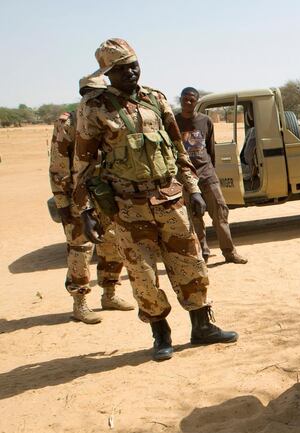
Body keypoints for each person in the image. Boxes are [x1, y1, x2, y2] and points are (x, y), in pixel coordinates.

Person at [72, 38, 238, 361]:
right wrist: (86, 210)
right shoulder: (94, 108)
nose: (131, 73)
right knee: (143, 275)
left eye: (134, 65)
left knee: (191, 263)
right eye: (121, 70)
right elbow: (84, 164)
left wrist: (192, 189)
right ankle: (161, 335)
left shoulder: (156, 99)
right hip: (127, 208)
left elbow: (179, 151)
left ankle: (202, 326)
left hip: (169, 199)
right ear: (107, 74)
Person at [49, 75, 135, 324]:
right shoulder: (68, 122)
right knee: (80, 249)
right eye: (91, 93)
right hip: (77, 196)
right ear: (83, 94)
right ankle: (80, 302)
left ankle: (109, 294)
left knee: (112, 243)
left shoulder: (107, 118)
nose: (96, 98)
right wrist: (63, 204)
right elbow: (58, 168)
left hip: (106, 194)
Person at [176, 87, 247, 264]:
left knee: (220, 215)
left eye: (192, 99)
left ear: (197, 101)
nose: (188, 102)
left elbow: (211, 149)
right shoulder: (173, 122)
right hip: (186, 178)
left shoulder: (205, 121)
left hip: (207, 175)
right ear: (181, 100)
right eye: (185, 98)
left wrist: (210, 171)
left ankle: (230, 253)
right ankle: (203, 255)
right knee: (194, 218)